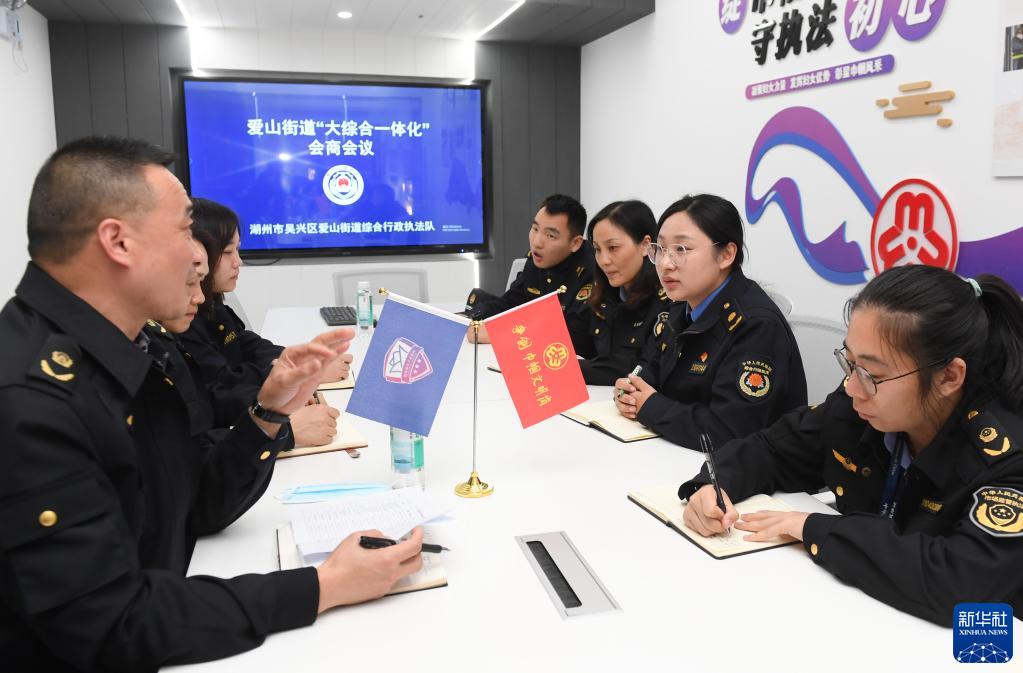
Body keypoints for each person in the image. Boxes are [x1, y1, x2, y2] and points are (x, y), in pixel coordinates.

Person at [0, 136, 424, 671]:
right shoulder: (29, 401)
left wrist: (268, 413)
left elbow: (197, 507)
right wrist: (324, 586)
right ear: (118, 242)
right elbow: (112, 625)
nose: (194, 252)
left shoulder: (141, 349)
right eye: (184, 230)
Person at [680, 266, 1023, 625]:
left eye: (872, 374)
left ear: (948, 377)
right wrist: (714, 485)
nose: (853, 387)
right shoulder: (860, 406)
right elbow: (774, 448)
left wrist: (814, 529)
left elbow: (962, 584)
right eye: (850, 362)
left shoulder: (1006, 459)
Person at [614, 194, 806, 449]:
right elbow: (649, 369)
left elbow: (729, 431)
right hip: (675, 451)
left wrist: (650, 406)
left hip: (742, 468)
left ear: (726, 254)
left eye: (681, 249)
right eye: (660, 249)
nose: (665, 264)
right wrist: (630, 390)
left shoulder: (756, 325)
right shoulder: (681, 306)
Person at [182, 197, 346, 447]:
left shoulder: (210, 303)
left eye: (237, 250)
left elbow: (246, 343)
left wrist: (296, 368)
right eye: (227, 252)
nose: (238, 262)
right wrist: (278, 413)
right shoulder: (178, 325)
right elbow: (219, 393)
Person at [463, 194, 594, 343]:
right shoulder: (537, 260)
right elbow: (510, 303)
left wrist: (499, 334)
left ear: (575, 243)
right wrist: (471, 318)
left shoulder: (591, 273)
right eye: (535, 229)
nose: (537, 242)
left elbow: (574, 336)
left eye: (551, 236)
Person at [568, 200, 670, 385]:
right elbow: (572, 339)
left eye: (613, 248)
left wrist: (563, 368)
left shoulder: (666, 302)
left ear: (645, 245)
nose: (604, 260)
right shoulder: (603, 294)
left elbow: (631, 369)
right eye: (597, 250)